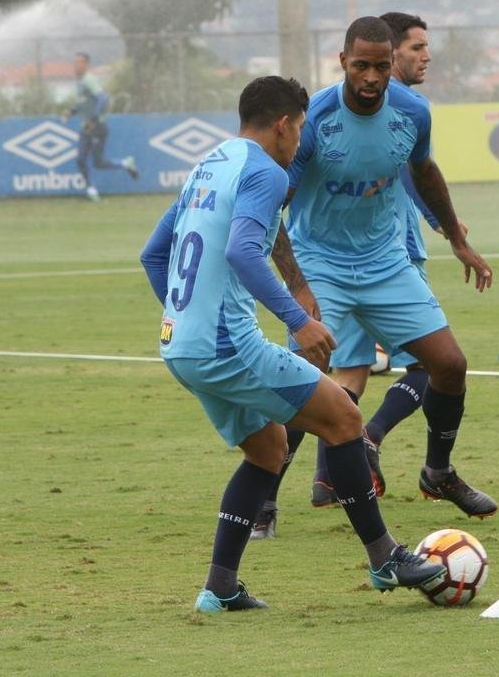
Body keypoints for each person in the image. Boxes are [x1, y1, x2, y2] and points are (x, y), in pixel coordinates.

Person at [140, 75, 444, 613]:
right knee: (345, 420)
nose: (300, 139)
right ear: (283, 125)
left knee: (269, 450)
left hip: (180, 346)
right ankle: (385, 559)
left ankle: (220, 587)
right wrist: (296, 320)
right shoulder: (262, 169)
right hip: (227, 346)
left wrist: (180, 314)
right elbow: (242, 252)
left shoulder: (210, 164)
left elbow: (153, 254)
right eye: (300, 128)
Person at [265, 16, 498, 533]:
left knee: (450, 365)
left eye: (380, 66)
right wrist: (298, 285)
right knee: (303, 377)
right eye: (360, 65)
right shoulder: (315, 120)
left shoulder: (412, 111)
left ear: (391, 63)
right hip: (320, 262)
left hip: (385, 261)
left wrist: (458, 240)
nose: (371, 77)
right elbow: (272, 207)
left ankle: (438, 471)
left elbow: (424, 170)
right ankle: (263, 496)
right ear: (343, 62)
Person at [64, 52, 138, 201]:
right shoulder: (80, 82)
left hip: (96, 127)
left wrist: (94, 119)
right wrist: (72, 111)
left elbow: (103, 98)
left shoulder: (89, 80)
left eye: (79, 62)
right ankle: (92, 190)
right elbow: (84, 104)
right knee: (83, 160)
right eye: (75, 62)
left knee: (96, 162)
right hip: (87, 127)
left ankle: (124, 164)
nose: (76, 66)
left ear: (86, 64)